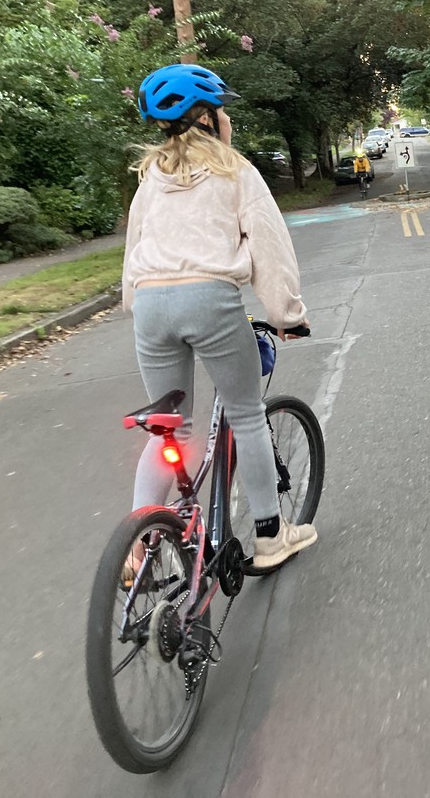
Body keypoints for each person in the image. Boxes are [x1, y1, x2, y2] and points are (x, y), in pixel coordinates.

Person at [123, 62, 317, 570]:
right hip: (208, 298)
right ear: (208, 119)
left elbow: (134, 247)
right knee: (248, 414)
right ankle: (271, 538)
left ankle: (139, 549)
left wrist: (137, 306)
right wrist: (286, 315)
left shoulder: (151, 179)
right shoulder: (237, 172)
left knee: (170, 429)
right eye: (222, 110)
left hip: (150, 304)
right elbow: (270, 250)